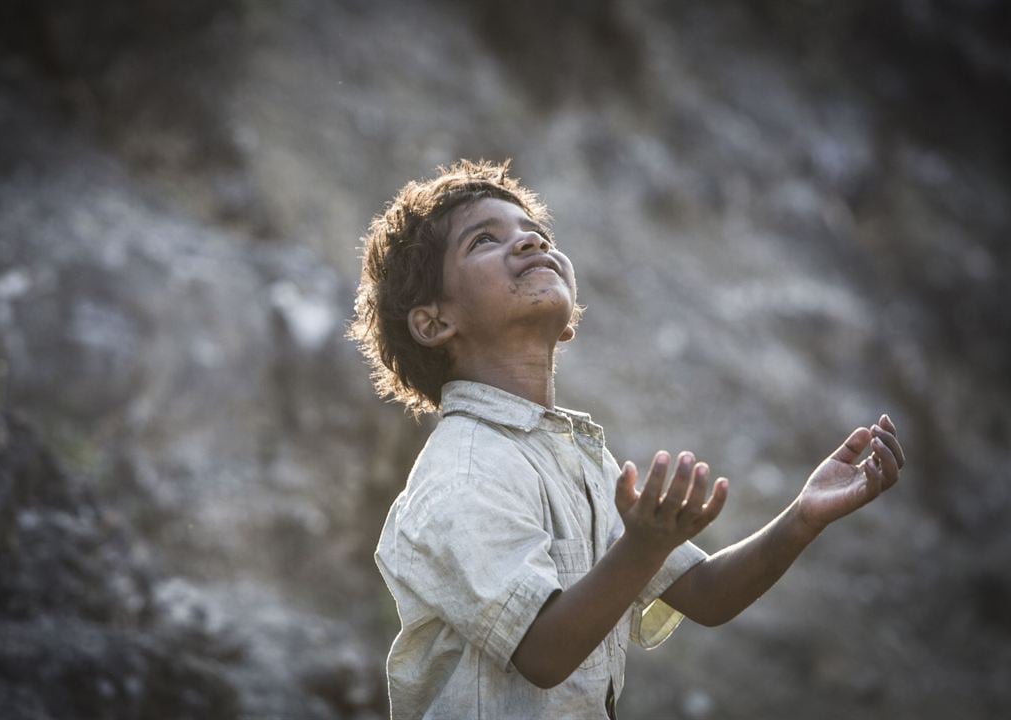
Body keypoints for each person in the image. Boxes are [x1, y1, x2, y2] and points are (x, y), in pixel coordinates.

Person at [348, 159, 905, 719]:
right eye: (485, 240)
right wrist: (642, 545)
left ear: (568, 316)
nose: (529, 244)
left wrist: (804, 517)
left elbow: (708, 594)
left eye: (535, 233)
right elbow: (543, 653)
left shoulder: (578, 459)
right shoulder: (463, 474)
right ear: (435, 323)